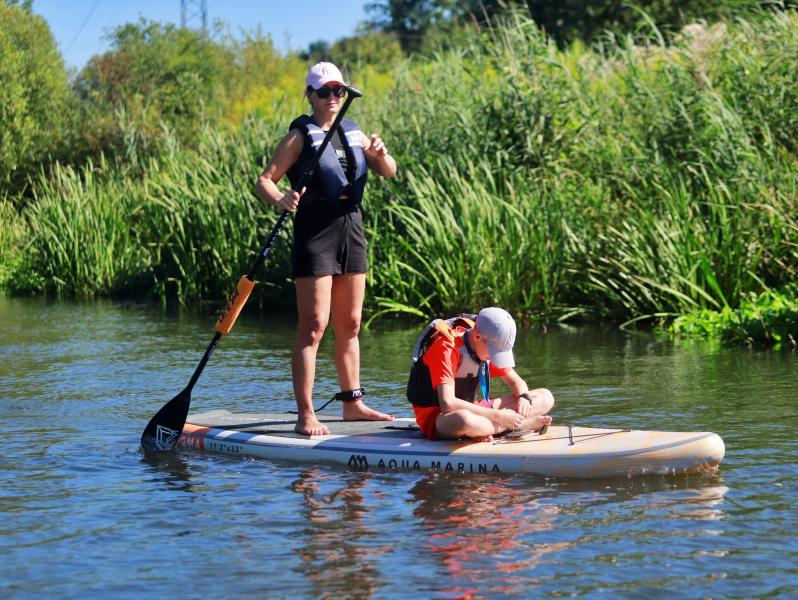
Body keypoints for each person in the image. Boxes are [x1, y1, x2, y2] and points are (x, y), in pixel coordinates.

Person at [255, 62, 397, 436]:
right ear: (310, 95)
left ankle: (353, 404)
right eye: (324, 92)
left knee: (349, 324)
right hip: (315, 230)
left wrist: (380, 153)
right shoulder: (299, 137)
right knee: (314, 327)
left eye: (338, 91)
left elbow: (390, 170)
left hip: (351, 226)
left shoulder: (355, 131)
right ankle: (306, 414)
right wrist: (280, 198)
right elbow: (264, 181)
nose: (333, 98)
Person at [407, 307, 554, 442]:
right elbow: (448, 404)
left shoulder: (484, 344)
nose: (494, 358)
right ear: (477, 336)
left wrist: (524, 398)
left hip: (474, 410)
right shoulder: (446, 347)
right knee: (464, 420)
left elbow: (517, 382)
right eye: (493, 352)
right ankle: (520, 424)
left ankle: (496, 427)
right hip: (439, 418)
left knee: (545, 397)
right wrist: (499, 416)